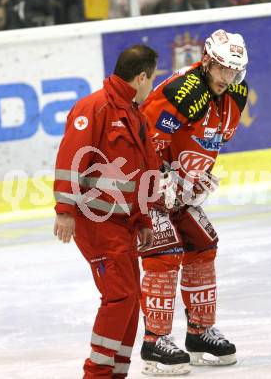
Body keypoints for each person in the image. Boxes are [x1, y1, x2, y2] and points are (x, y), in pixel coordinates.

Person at [138, 29, 249, 375]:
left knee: (203, 244)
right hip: (146, 187)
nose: (227, 78)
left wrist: (195, 176)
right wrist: (161, 177)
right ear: (206, 62)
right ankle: (154, 341)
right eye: (221, 70)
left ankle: (199, 332)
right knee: (164, 252)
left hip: (178, 191)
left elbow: (207, 139)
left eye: (234, 72)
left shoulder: (235, 95)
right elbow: (145, 137)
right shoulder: (183, 92)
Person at [53, 45, 159, 379]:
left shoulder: (133, 113)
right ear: (141, 77)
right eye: (151, 79)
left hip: (124, 223)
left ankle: (115, 372)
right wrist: (65, 210)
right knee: (120, 296)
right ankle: (97, 374)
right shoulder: (94, 107)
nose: (151, 86)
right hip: (95, 220)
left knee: (130, 299)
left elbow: (143, 170)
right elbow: (71, 158)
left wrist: (142, 218)